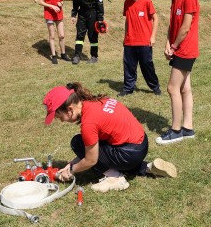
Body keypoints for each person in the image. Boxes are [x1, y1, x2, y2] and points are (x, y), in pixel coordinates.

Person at [43, 82, 177, 192]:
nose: (61, 120)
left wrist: (72, 171)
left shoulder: (89, 123)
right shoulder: (97, 102)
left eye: (59, 116)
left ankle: (115, 178)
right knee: (87, 145)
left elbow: (91, 160)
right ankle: (148, 167)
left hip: (128, 153)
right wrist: (72, 164)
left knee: (77, 142)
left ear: (70, 109)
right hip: (141, 143)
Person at [155, 0, 199, 144]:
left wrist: (173, 47)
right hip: (177, 47)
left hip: (185, 49)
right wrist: (167, 43)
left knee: (172, 88)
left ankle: (176, 130)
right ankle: (187, 128)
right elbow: (173, 24)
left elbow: (185, 28)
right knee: (185, 89)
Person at [119, 0, 161, 97]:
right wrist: (125, 36)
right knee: (129, 66)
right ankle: (128, 88)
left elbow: (155, 18)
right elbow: (127, 21)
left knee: (147, 65)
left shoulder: (147, 2)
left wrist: (153, 37)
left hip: (144, 41)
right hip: (130, 41)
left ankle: (155, 87)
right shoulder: (127, 3)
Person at [71, 0, 105, 65]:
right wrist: (73, 15)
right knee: (79, 35)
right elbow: (75, 4)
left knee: (92, 36)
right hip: (82, 14)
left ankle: (94, 56)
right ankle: (77, 56)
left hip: (92, 14)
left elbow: (100, 3)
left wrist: (100, 18)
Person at [38, 0, 71, 64]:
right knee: (52, 36)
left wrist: (61, 3)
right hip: (49, 15)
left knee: (62, 35)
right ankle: (53, 55)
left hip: (58, 14)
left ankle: (63, 54)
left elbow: (62, 0)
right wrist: (51, 6)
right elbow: (41, 1)